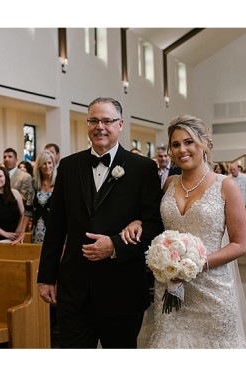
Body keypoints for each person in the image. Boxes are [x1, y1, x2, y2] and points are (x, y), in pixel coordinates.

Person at [37, 97, 162, 349]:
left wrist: (115, 245)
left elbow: (153, 225)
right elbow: (56, 226)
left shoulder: (143, 168)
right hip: (74, 288)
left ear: (120, 124)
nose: (100, 126)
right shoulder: (69, 166)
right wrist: (46, 276)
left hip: (121, 288)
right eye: (93, 120)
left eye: (107, 120)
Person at [125, 114, 246, 348]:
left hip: (213, 291)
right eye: (176, 144)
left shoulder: (226, 186)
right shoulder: (169, 183)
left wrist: (197, 265)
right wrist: (138, 223)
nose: (182, 149)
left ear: (203, 143)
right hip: (171, 288)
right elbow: (154, 222)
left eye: (189, 142)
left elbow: (239, 244)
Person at [31, 151, 55, 244]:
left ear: (53, 164)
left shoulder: (60, 181)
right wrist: (21, 232)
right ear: (39, 166)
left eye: (49, 163)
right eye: (44, 163)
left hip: (56, 228)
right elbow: (28, 209)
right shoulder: (34, 183)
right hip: (37, 230)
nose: (47, 166)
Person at [3, 148, 34, 218]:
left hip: (17, 215)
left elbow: (24, 198)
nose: (6, 159)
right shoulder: (0, 176)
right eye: (4, 157)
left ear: (16, 160)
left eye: (10, 156)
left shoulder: (25, 177)